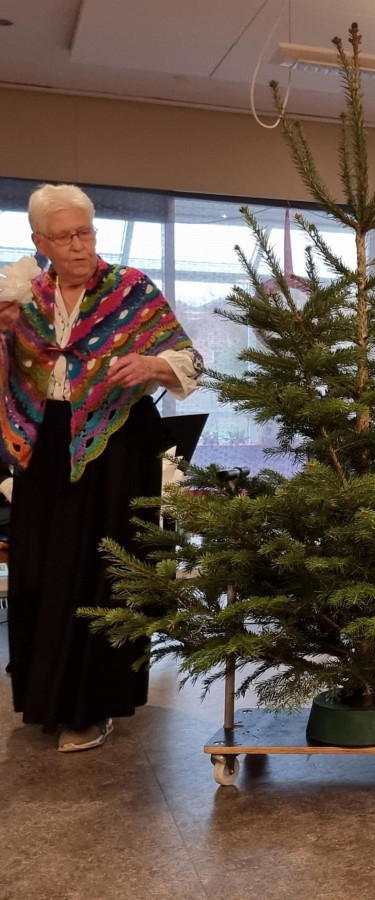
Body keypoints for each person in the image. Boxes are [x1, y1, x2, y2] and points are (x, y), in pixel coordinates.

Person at [2, 183, 202, 752]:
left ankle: (94, 707)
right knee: (40, 572)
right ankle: (46, 700)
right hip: (43, 442)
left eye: (85, 232)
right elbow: (9, 373)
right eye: (64, 236)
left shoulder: (129, 289)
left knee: (102, 573)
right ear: (39, 241)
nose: (78, 245)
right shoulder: (26, 299)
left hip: (115, 442)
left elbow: (191, 361)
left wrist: (151, 364)